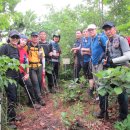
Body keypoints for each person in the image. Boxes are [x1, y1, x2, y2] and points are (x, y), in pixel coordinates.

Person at [96, 21, 129, 120]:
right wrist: (106, 60)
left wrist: (112, 60)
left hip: (122, 70)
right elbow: (108, 55)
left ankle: (123, 118)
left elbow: (128, 56)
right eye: (105, 30)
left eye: (109, 29)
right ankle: (103, 113)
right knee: (102, 89)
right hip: (111, 70)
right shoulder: (107, 42)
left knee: (122, 95)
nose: (108, 31)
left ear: (115, 29)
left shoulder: (121, 39)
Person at [0, 30, 20, 129]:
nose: (15, 39)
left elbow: (17, 64)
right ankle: (10, 120)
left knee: (14, 97)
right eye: (13, 37)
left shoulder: (16, 49)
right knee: (12, 97)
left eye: (17, 37)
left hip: (15, 77)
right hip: (8, 78)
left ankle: (13, 115)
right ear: (9, 38)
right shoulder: (4, 47)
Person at [71, 29, 94, 94]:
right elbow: (79, 48)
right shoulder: (81, 40)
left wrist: (84, 50)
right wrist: (75, 50)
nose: (85, 33)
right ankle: (85, 85)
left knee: (90, 74)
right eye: (84, 32)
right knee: (85, 72)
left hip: (90, 59)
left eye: (86, 32)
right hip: (82, 59)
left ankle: (91, 88)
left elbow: (91, 50)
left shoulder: (91, 39)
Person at [87, 24, 107, 96]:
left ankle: (103, 97)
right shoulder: (91, 39)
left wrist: (105, 59)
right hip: (93, 63)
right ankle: (99, 96)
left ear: (96, 29)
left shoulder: (101, 38)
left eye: (92, 29)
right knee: (95, 80)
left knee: (101, 80)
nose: (91, 31)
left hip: (100, 63)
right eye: (89, 30)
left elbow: (107, 49)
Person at [18, 34, 37, 108]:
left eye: (25, 41)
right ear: (19, 39)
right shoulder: (13, 49)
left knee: (29, 85)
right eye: (22, 40)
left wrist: (27, 73)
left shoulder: (24, 51)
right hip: (13, 73)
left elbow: (27, 63)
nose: (24, 42)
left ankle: (31, 103)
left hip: (22, 72)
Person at [27, 32, 45, 106]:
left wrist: (43, 68)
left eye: (36, 37)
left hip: (39, 66)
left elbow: (42, 58)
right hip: (31, 67)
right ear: (31, 38)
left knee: (40, 81)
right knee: (35, 82)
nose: (35, 38)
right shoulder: (27, 47)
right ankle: (39, 99)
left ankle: (38, 97)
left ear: (38, 38)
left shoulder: (40, 47)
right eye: (33, 37)